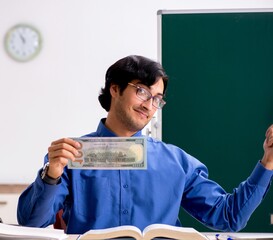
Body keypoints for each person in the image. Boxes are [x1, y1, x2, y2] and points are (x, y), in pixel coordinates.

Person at [17, 55, 273, 234]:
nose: (149, 105)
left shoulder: (177, 163)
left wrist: (268, 162)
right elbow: (31, 224)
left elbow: (228, 217)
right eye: (141, 91)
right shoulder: (71, 156)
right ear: (114, 89)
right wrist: (51, 176)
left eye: (157, 99)